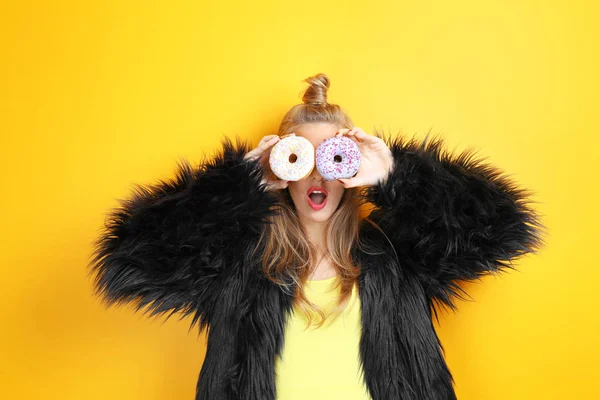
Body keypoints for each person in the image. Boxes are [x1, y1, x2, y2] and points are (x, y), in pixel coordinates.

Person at [88, 73, 546, 400]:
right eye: (300, 157)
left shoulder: (396, 256)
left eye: (332, 158)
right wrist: (238, 185)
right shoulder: (237, 264)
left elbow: (500, 230)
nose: (317, 176)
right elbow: (130, 261)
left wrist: (395, 175)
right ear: (281, 168)